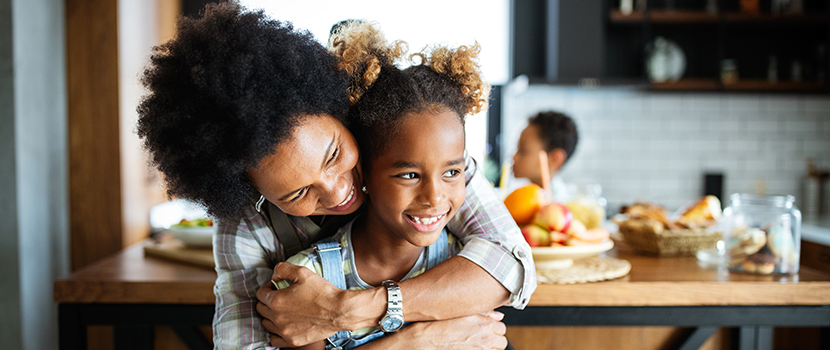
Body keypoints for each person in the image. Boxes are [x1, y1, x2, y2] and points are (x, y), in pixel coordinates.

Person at [136, 2, 535, 349]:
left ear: (338, 109)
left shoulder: (410, 155)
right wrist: (415, 342)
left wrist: (347, 310)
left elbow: (513, 265)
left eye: (334, 155)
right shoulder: (247, 226)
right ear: (253, 192)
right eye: (298, 193)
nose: (337, 190)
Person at [275, 22, 491, 350]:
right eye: (409, 175)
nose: (434, 197)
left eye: (452, 172)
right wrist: (415, 342)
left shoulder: (466, 265)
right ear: (363, 173)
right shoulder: (309, 279)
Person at [511, 111, 579, 202]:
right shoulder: (519, 197)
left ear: (555, 159)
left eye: (523, 151)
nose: (514, 157)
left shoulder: (557, 206)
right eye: (517, 148)